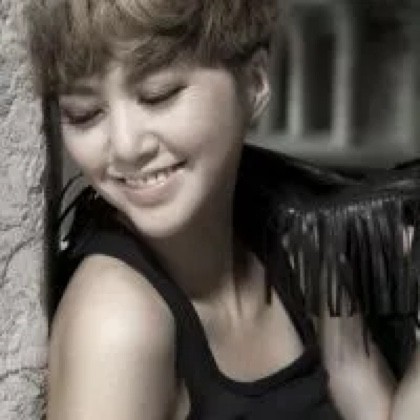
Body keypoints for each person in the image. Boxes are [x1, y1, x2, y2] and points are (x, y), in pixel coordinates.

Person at [26, 1, 420, 419]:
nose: (125, 147)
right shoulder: (115, 324)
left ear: (255, 83)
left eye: (158, 95)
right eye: (84, 114)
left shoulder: (298, 244)